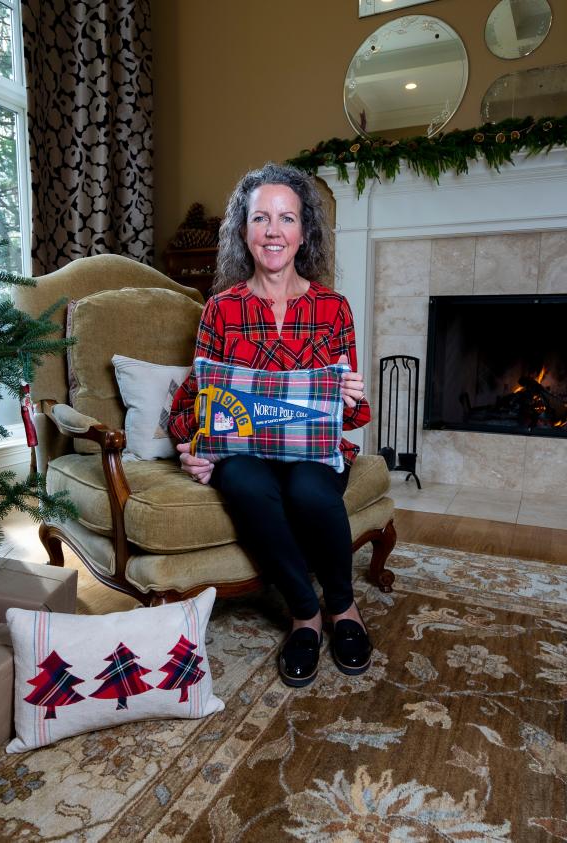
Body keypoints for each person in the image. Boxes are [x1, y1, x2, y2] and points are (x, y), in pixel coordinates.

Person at [166, 162, 372, 688]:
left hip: (311, 453)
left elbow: (346, 416)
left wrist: (353, 395)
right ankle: (305, 612)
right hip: (247, 452)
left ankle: (343, 609)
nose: (274, 231)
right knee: (240, 479)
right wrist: (190, 445)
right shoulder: (220, 309)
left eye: (287, 218)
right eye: (261, 219)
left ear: (305, 232)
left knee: (307, 487)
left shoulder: (333, 308)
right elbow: (194, 401)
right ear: (244, 230)